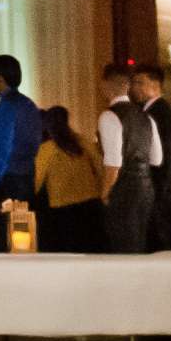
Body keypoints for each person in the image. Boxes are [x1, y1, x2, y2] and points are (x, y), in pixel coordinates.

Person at [0, 54, 40, 245]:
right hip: (27, 178)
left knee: (4, 238)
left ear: (0, 78)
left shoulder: (3, 108)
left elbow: (1, 153)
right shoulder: (30, 105)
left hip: (8, 182)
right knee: (23, 237)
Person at [98, 62, 159, 255]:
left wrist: (105, 192)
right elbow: (156, 159)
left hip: (123, 191)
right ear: (128, 86)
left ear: (106, 84)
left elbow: (113, 162)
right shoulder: (146, 117)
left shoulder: (109, 116)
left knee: (122, 248)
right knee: (139, 245)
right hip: (146, 189)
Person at [33, 104, 107, 253]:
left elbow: (37, 179)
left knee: (69, 254)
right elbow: (100, 166)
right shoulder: (82, 141)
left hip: (62, 208)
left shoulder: (47, 148)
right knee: (90, 250)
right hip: (90, 203)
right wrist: (101, 190)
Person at [134, 65, 171, 251]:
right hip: (164, 188)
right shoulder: (155, 111)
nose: (136, 88)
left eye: (140, 83)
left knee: (161, 242)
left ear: (155, 84)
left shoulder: (159, 113)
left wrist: (159, 190)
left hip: (162, 189)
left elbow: (168, 153)